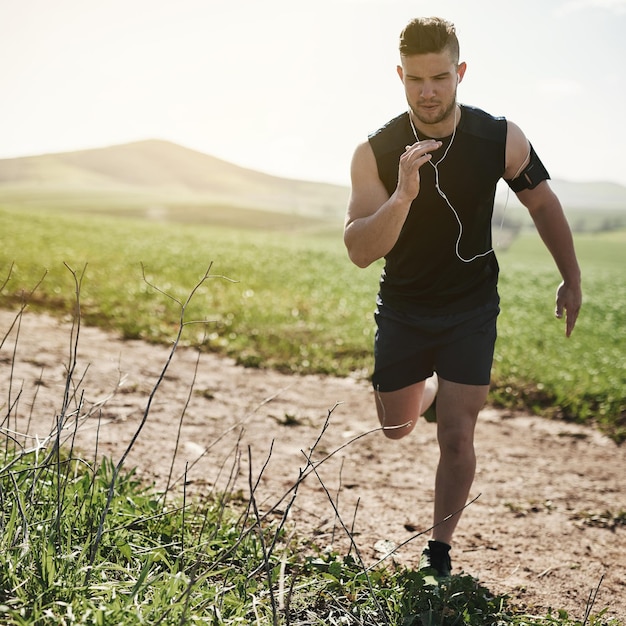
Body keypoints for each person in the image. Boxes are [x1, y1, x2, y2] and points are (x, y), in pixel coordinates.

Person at [343, 16, 582, 578]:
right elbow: (358, 249)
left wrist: (571, 277)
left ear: (461, 73)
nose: (428, 91)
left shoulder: (500, 137)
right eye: (416, 79)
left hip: (472, 306)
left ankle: (439, 550)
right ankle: (422, 395)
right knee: (395, 428)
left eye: (440, 77)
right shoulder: (375, 151)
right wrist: (402, 195)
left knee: (459, 432)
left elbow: (543, 205)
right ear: (400, 76)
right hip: (403, 306)